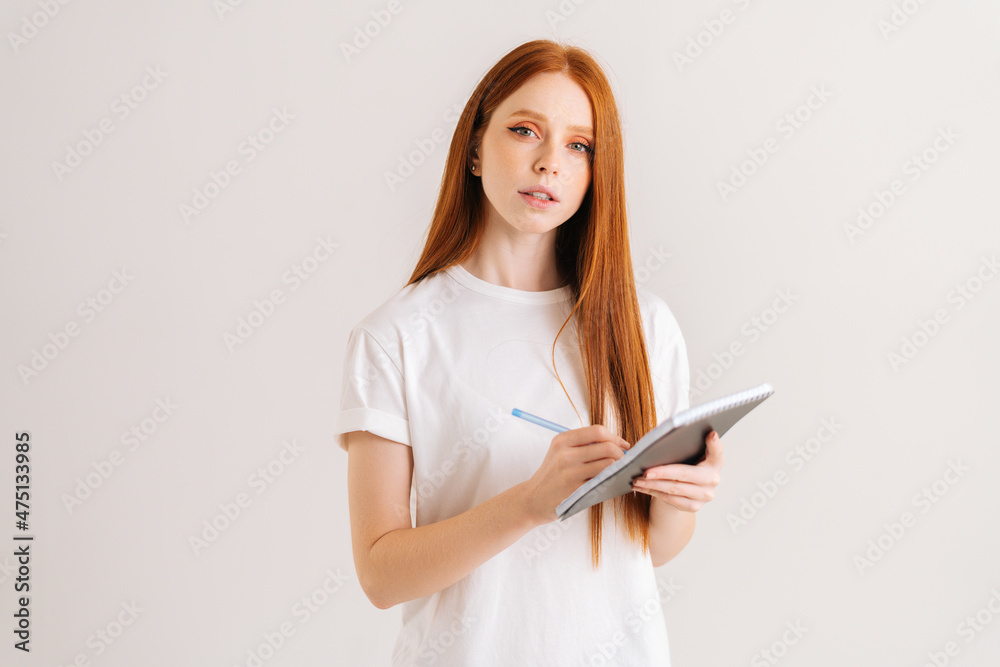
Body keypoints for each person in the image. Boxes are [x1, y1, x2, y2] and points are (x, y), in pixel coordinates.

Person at [335, 38, 724, 666]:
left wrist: (679, 498)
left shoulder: (643, 325)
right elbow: (381, 574)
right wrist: (529, 503)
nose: (550, 163)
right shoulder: (398, 336)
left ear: (598, 172)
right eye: (524, 131)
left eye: (579, 145)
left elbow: (648, 549)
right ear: (474, 152)